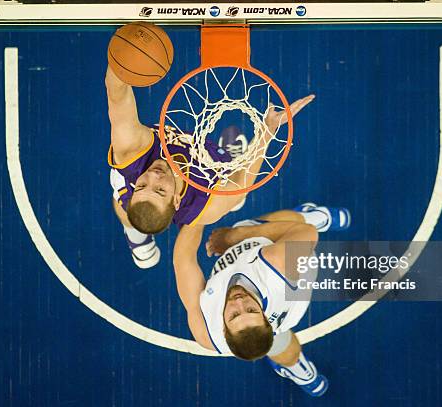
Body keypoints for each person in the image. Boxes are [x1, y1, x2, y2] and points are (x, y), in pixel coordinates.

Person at [105, 67, 315, 268]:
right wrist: (268, 130)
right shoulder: (205, 205)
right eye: (160, 190)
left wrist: (122, 57)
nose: (153, 175)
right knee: (233, 198)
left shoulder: (132, 152)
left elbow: (117, 93)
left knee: (124, 198)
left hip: (172, 164)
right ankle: (137, 239)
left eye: (141, 186)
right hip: (200, 189)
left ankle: (138, 232)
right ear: (176, 199)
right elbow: (242, 181)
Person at [172, 204, 351, 396]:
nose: (239, 301)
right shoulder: (275, 264)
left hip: (276, 299)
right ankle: (317, 217)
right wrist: (235, 236)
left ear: (223, 330)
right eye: (250, 310)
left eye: (234, 315)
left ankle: (301, 371)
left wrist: (198, 208)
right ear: (266, 319)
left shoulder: (206, 334)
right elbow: (307, 233)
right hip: (295, 264)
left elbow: (183, 260)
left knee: (277, 343)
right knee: (261, 225)